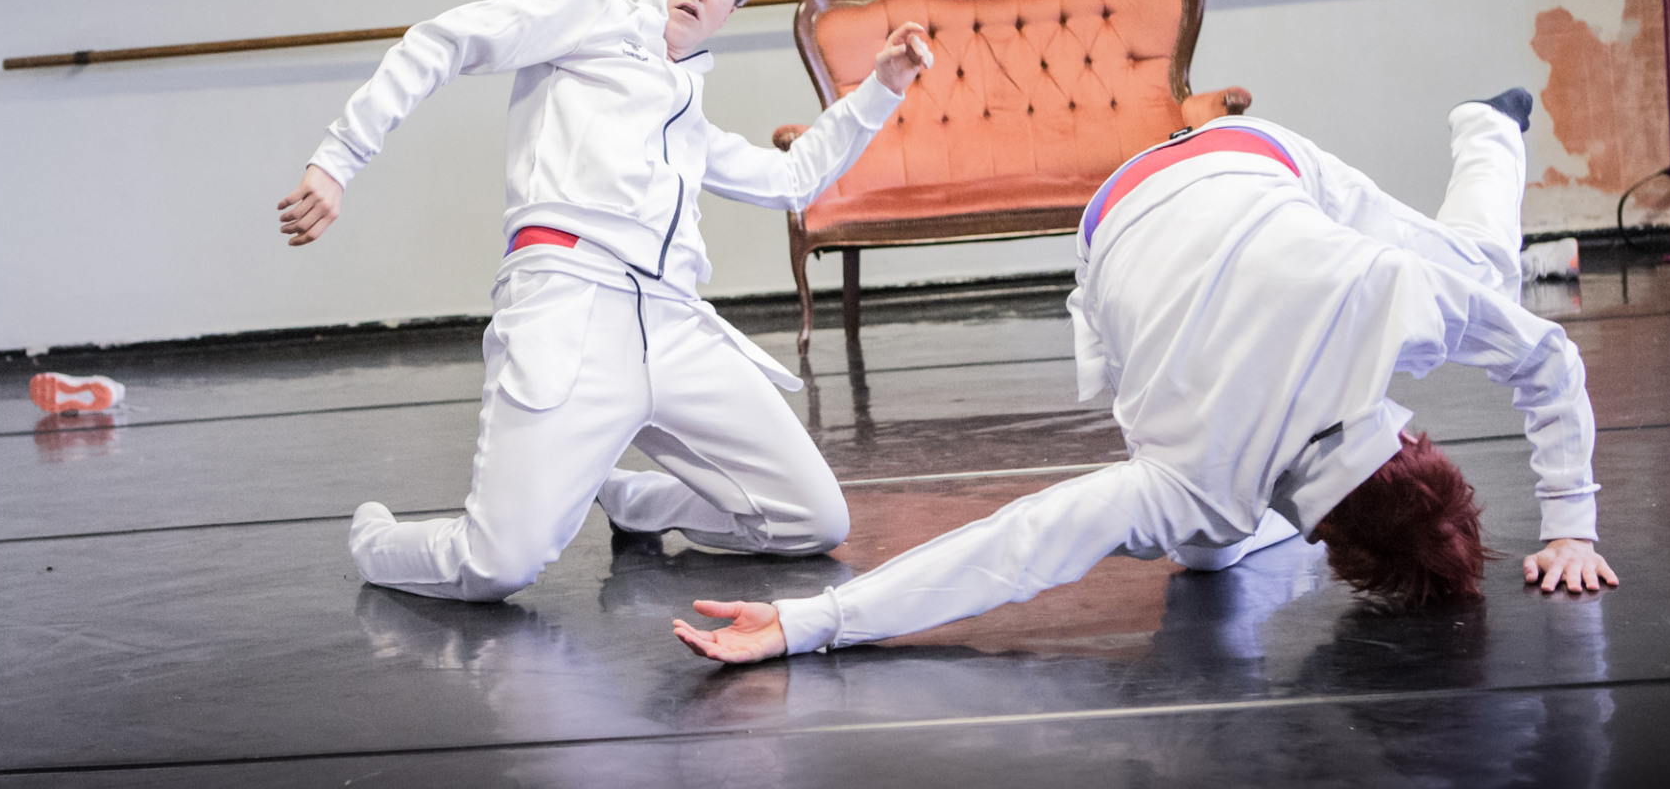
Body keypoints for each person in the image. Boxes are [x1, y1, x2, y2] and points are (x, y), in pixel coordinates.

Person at [673, 90, 1620, 663]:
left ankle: (1489, 125)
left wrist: (1573, 521)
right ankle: (1488, 127)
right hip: (1161, 203)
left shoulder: (1390, 301)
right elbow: (1016, 546)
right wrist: (812, 622)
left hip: (1199, 173)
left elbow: (1551, 362)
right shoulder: (1209, 459)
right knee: (1488, 272)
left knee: (1202, 536)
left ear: (1412, 443)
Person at [277, 0, 930, 602]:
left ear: (727, 12)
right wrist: (338, 158)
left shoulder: (685, 113)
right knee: (497, 566)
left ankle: (635, 502)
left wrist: (880, 89)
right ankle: (379, 542)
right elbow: (445, 40)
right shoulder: (590, 15)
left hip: (676, 327)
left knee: (813, 519)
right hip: (569, 304)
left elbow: (790, 178)